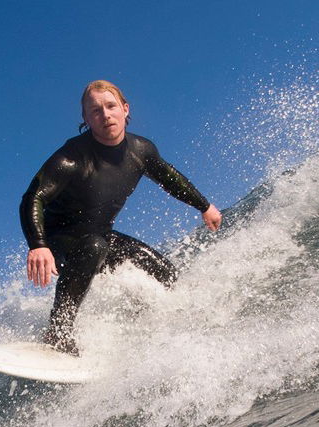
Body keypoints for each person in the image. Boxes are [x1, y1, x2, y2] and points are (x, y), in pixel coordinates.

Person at [20, 80, 222, 354]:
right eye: (95, 111)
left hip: (100, 235)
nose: (105, 115)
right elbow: (33, 197)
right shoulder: (72, 156)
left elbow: (170, 178)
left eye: (111, 106)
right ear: (87, 119)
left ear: (125, 109)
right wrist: (39, 245)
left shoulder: (141, 151)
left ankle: (167, 326)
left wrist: (204, 206)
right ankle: (58, 331)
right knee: (94, 246)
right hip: (60, 240)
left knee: (163, 272)